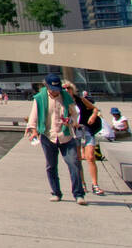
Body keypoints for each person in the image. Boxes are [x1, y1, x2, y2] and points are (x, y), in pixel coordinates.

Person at [25, 73, 87, 204]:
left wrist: (70, 120)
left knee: (74, 164)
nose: (55, 92)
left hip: (66, 135)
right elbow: (33, 116)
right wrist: (33, 130)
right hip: (48, 136)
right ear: (47, 87)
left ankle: (78, 194)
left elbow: (75, 114)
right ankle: (56, 192)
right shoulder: (40, 98)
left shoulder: (66, 98)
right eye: (53, 89)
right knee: (51, 166)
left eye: (57, 89)